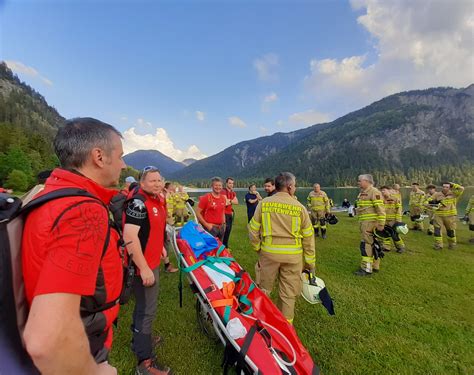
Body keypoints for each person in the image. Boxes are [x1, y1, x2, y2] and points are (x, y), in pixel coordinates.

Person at [21, 117, 125, 374]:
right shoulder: (82, 212)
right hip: (80, 348)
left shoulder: (53, 194)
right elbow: (45, 339)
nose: (123, 165)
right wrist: (93, 371)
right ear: (99, 157)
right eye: (121, 156)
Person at [123, 166, 172, 375]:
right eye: (152, 181)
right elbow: (130, 236)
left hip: (152, 260)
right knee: (147, 311)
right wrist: (143, 268)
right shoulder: (138, 203)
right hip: (142, 265)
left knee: (144, 307)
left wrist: (159, 246)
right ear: (142, 184)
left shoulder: (158, 200)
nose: (157, 184)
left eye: (159, 180)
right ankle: (144, 363)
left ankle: (139, 341)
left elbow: (153, 228)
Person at [248, 172, 315, 323]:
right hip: (293, 258)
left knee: (263, 289)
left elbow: (252, 229)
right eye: (295, 185)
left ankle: (260, 322)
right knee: (288, 294)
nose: (295, 188)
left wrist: (258, 248)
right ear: (290, 187)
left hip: (269, 254)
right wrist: (310, 264)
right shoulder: (299, 207)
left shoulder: (264, 203)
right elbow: (309, 238)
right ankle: (285, 329)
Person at [354, 174, 386, 276]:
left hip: (370, 223)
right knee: (373, 244)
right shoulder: (362, 193)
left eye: (360, 181)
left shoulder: (374, 192)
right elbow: (364, 207)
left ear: (367, 181)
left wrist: (381, 224)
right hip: (364, 223)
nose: (358, 183)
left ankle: (366, 269)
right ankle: (374, 266)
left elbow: (380, 209)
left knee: (366, 245)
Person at [428, 182, 464, 250]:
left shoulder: (454, 194)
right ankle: (438, 245)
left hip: (450, 216)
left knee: (450, 231)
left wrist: (453, 184)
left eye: (447, 187)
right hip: (439, 215)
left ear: (450, 188)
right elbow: (428, 201)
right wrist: (432, 204)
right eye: (443, 187)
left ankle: (452, 245)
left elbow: (461, 188)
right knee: (437, 231)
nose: (445, 188)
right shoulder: (437, 194)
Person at [196, 177, 227, 241]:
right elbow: (197, 212)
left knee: (219, 248)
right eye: (216, 185)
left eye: (220, 185)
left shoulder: (223, 198)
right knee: (209, 248)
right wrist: (206, 225)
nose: (218, 187)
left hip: (220, 228)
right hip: (210, 228)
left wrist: (224, 224)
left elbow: (222, 212)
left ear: (222, 186)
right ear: (212, 186)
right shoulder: (206, 197)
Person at [380, 186, 405, 253]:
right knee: (385, 233)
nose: (382, 192)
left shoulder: (395, 198)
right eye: (381, 190)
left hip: (393, 220)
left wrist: (398, 220)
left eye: (384, 190)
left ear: (388, 191)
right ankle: (386, 247)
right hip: (384, 220)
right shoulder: (380, 199)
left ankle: (400, 247)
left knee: (394, 234)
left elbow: (399, 210)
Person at [220, 177, 238, 247]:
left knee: (228, 230)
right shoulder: (223, 191)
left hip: (230, 213)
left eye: (232, 183)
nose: (231, 185)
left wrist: (229, 200)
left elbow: (236, 202)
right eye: (230, 183)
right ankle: (221, 246)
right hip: (224, 214)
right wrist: (231, 200)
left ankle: (225, 246)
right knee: (224, 231)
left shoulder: (232, 192)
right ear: (226, 183)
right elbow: (225, 202)